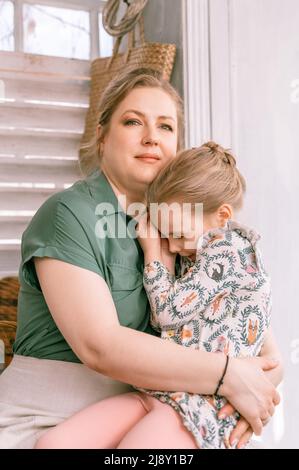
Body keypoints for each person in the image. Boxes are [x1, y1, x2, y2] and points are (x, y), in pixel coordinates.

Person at [0, 68, 282, 449]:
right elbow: (99, 346)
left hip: (163, 410)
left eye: (165, 127)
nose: (151, 137)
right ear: (101, 135)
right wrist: (228, 377)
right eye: (133, 121)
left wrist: (248, 399)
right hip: (49, 415)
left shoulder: (188, 231)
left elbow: (260, 342)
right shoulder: (70, 214)